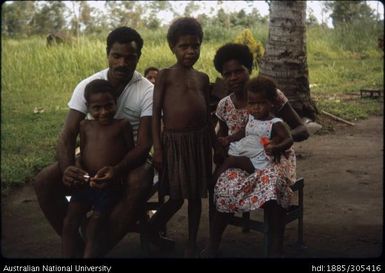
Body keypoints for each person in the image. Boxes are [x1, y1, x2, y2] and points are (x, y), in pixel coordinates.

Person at [34, 27, 156, 257]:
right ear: (107, 54)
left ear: (138, 57)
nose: (122, 63)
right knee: (43, 181)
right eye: (116, 56)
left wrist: (118, 169)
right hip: (89, 162)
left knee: (139, 180)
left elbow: (143, 146)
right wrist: (68, 167)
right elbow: (68, 134)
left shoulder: (147, 90)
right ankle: (77, 247)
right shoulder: (88, 85)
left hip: (131, 161)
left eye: (130, 57)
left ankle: (95, 252)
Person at [204, 43, 309, 257]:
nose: (233, 77)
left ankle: (275, 247)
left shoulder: (271, 94)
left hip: (274, 157)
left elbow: (302, 129)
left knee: (272, 184)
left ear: (249, 69)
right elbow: (223, 136)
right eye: (227, 74)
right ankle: (213, 246)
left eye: (239, 71)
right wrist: (220, 150)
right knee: (222, 183)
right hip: (242, 159)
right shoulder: (224, 105)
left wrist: (276, 142)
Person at [152, 17, 215, 257]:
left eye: (195, 46)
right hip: (175, 143)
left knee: (196, 197)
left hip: (198, 143)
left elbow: (207, 115)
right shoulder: (165, 75)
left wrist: (215, 145)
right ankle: (152, 228)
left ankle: (191, 243)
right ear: (172, 47)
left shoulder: (202, 78)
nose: (190, 51)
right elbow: (156, 112)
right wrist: (158, 148)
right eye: (184, 46)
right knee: (177, 196)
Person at [62, 79, 134, 258]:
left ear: (116, 102)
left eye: (109, 105)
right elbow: (83, 153)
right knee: (70, 222)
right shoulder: (84, 126)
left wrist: (117, 173)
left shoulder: (122, 125)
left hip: (109, 185)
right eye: (97, 108)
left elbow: (129, 154)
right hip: (85, 183)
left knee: (95, 225)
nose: (104, 112)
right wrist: (78, 167)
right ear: (88, 107)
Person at [213, 75, 294, 184]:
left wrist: (276, 147)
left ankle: (213, 181)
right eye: (252, 103)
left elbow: (288, 139)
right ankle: (221, 184)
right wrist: (229, 138)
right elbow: (244, 132)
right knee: (224, 152)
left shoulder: (275, 123)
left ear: (271, 103)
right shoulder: (251, 118)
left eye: (261, 103)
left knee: (231, 160)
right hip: (248, 150)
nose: (256, 107)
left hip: (259, 158)